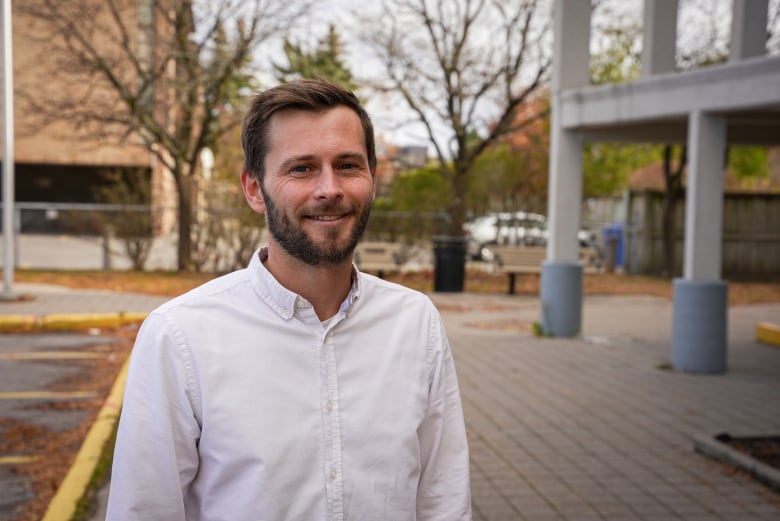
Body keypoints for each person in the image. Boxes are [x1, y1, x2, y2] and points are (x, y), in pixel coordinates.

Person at [105, 78, 472, 521]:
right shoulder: (180, 336)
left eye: (348, 165)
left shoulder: (414, 322)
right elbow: (144, 510)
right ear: (254, 189)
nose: (329, 188)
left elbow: (443, 497)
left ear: (372, 178)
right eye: (301, 168)